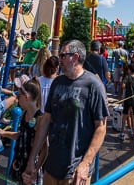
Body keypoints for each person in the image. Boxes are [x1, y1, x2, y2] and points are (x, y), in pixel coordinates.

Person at [23, 39, 108, 185]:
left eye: (63, 55)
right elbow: (46, 120)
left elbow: (101, 127)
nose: (59, 59)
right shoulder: (57, 82)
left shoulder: (93, 85)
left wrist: (85, 164)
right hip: (51, 167)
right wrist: (32, 159)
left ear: (75, 57)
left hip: (75, 172)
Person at [0, 77, 47, 185]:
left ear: (26, 97)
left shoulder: (40, 119)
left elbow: (44, 149)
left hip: (31, 167)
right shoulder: (24, 114)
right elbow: (22, 135)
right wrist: (4, 133)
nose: (17, 99)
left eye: (19, 96)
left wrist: (35, 169)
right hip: (20, 161)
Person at [120, 62, 134, 143]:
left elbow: (123, 86)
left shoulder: (127, 77)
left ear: (129, 70)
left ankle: (122, 132)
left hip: (128, 99)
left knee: (125, 115)